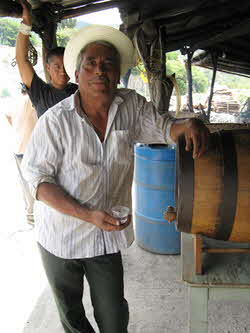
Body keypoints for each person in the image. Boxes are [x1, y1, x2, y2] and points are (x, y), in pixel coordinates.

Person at [22, 24, 210, 333]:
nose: (100, 71)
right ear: (78, 74)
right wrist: (86, 214)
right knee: (71, 315)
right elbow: (39, 184)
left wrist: (188, 125)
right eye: (91, 64)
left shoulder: (131, 106)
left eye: (108, 64)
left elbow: (165, 128)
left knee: (113, 315)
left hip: (105, 236)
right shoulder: (55, 122)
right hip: (59, 236)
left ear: (117, 73)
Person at [15, 0, 78, 118]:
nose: (62, 71)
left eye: (65, 66)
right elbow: (21, 59)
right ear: (48, 68)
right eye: (57, 67)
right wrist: (26, 23)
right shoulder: (40, 92)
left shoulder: (79, 91)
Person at [5, 84, 37, 225]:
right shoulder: (31, 100)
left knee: (25, 183)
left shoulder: (16, 100)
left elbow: (8, 116)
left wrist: (20, 128)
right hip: (29, 149)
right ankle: (38, 216)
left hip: (17, 147)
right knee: (37, 183)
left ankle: (30, 216)